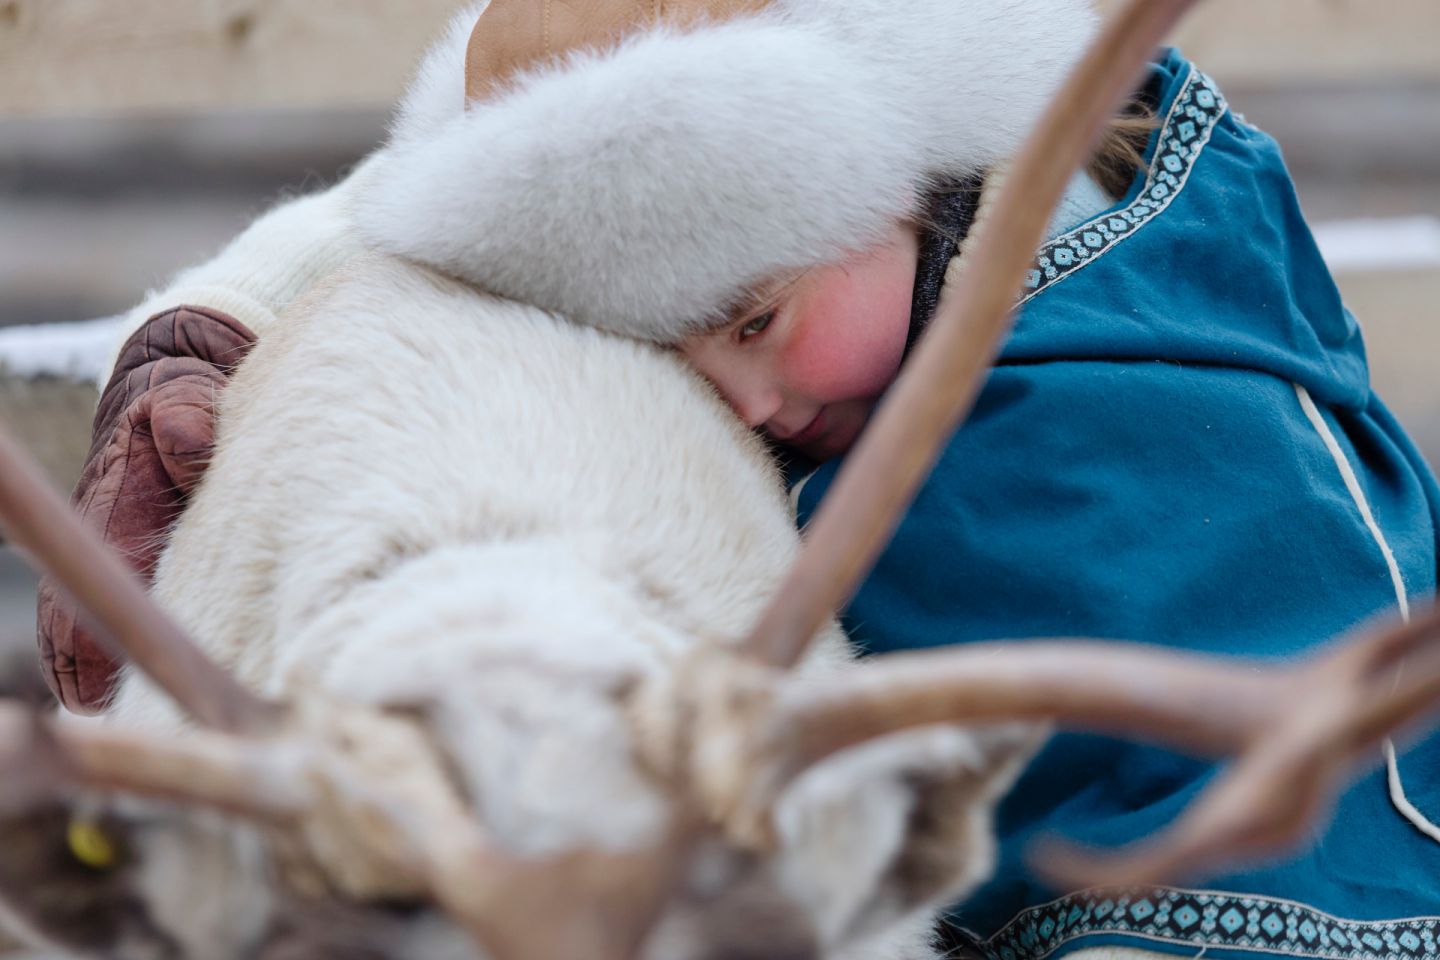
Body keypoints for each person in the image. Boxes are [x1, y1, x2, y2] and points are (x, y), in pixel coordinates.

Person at [39, 1, 1440, 958]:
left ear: (903, 172)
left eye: (754, 320)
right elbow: (419, 206)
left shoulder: (1157, 444)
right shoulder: (880, 215)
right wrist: (216, 322)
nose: (750, 398)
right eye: (682, 346)